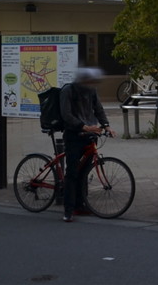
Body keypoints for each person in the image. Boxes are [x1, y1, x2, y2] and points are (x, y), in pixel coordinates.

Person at [60, 67, 114, 222]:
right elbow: (66, 115)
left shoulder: (91, 91)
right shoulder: (68, 91)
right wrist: (83, 126)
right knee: (72, 173)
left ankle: (80, 205)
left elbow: (98, 109)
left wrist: (106, 125)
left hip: (90, 136)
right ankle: (68, 210)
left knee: (83, 172)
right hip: (74, 135)